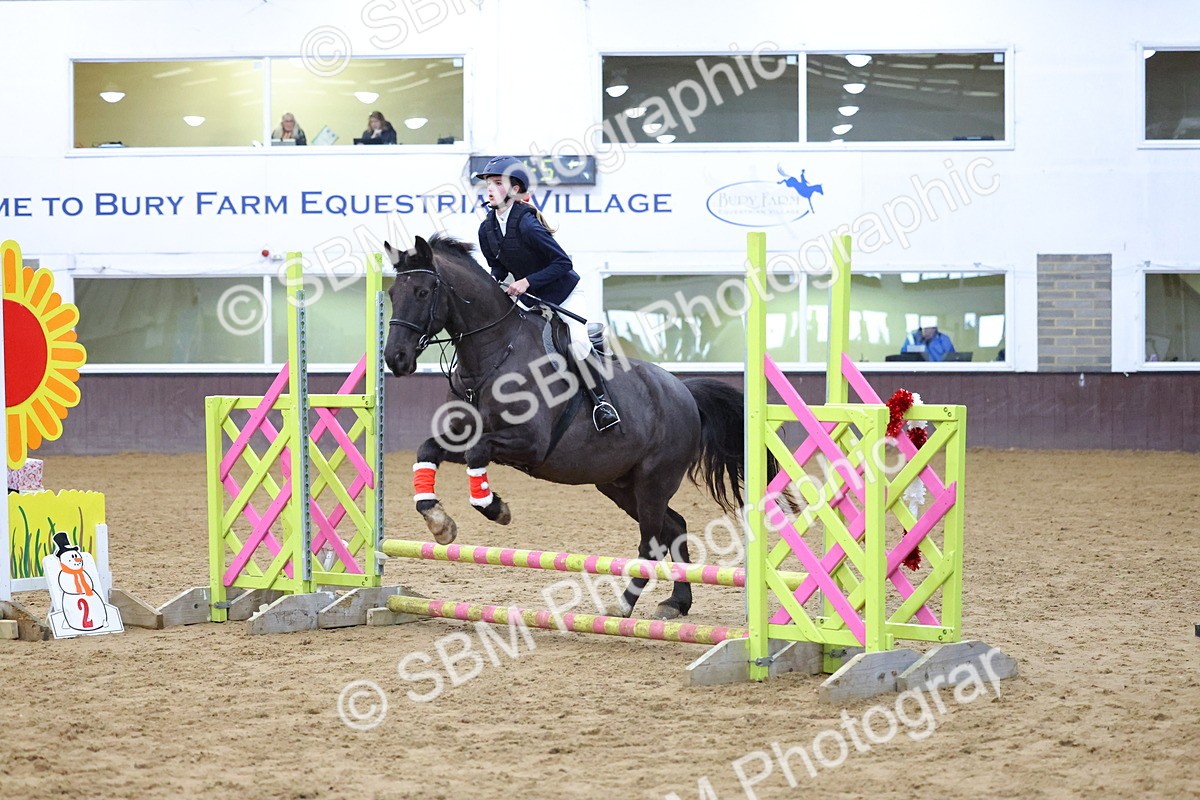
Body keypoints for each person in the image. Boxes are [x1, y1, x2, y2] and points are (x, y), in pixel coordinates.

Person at [473, 155, 619, 431]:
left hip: (565, 294)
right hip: (532, 301)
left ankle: (602, 403)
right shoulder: (486, 229)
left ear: (515, 190)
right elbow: (498, 268)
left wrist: (526, 282)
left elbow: (563, 263)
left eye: (495, 183)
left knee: (577, 345)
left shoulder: (528, 224)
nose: (488, 189)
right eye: (487, 184)